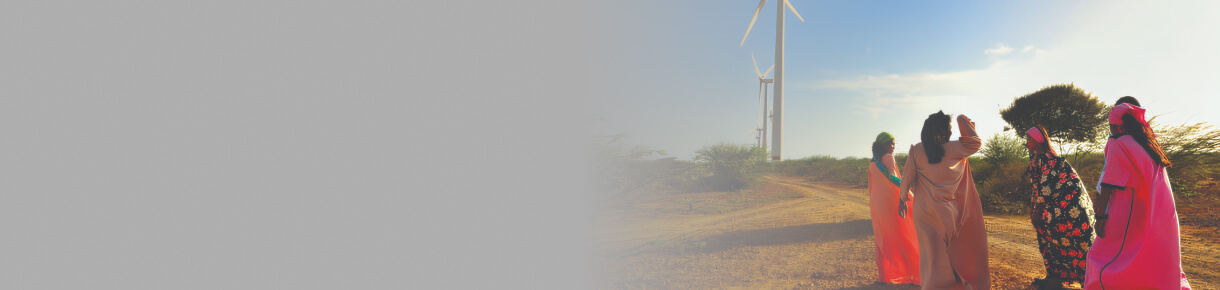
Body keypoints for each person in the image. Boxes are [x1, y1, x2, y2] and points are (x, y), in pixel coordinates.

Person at [1083, 104, 1191, 289]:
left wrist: (1100, 217)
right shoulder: (1149, 144)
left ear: (1118, 127)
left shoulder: (1117, 143)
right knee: (1148, 260)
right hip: (1160, 215)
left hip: (1128, 215)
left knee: (1100, 257)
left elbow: (1108, 183)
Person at [897, 112, 989, 289]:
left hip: (925, 215)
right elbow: (976, 142)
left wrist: (902, 200)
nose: (950, 132)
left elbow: (907, 179)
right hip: (950, 215)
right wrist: (963, 120)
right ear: (942, 130)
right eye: (949, 128)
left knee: (933, 259)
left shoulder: (917, 150)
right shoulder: (956, 148)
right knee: (953, 254)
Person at [1024, 125, 1095, 289]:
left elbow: (1045, 188)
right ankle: (1054, 279)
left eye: (1029, 138)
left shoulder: (1046, 159)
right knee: (1051, 242)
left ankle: (1088, 282)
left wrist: (1037, 210)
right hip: (1056, 209)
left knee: (1068, 243)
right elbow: (1037, 187)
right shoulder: (1040, 158)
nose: (1027, 142)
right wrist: (1033, 207)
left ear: (1037, 140)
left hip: (1065, 211)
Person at [868, 132, 920, 285]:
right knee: (906, 236)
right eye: (890, 143)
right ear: (881, 144)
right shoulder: (888, 158)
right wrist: (906, 196)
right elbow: (894, 181)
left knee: (884, 237)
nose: (892, 147)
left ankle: (885, 277)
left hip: (877, 205)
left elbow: (872, 187)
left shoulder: (872, 162)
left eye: (894, 144)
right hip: (890, 203)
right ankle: (915, 275)